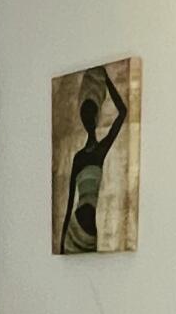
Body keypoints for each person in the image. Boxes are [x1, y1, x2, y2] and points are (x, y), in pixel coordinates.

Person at [56, 68, 131, 254]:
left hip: (90, 231)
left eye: (91, 113)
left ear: (96, 117)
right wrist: (61, 243)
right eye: (85, 114)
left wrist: (106, 81)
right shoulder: (79, 157)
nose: (88, 118)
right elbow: (69, 206)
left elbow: (122, 112)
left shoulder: (100, 151)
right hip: (74, 228)